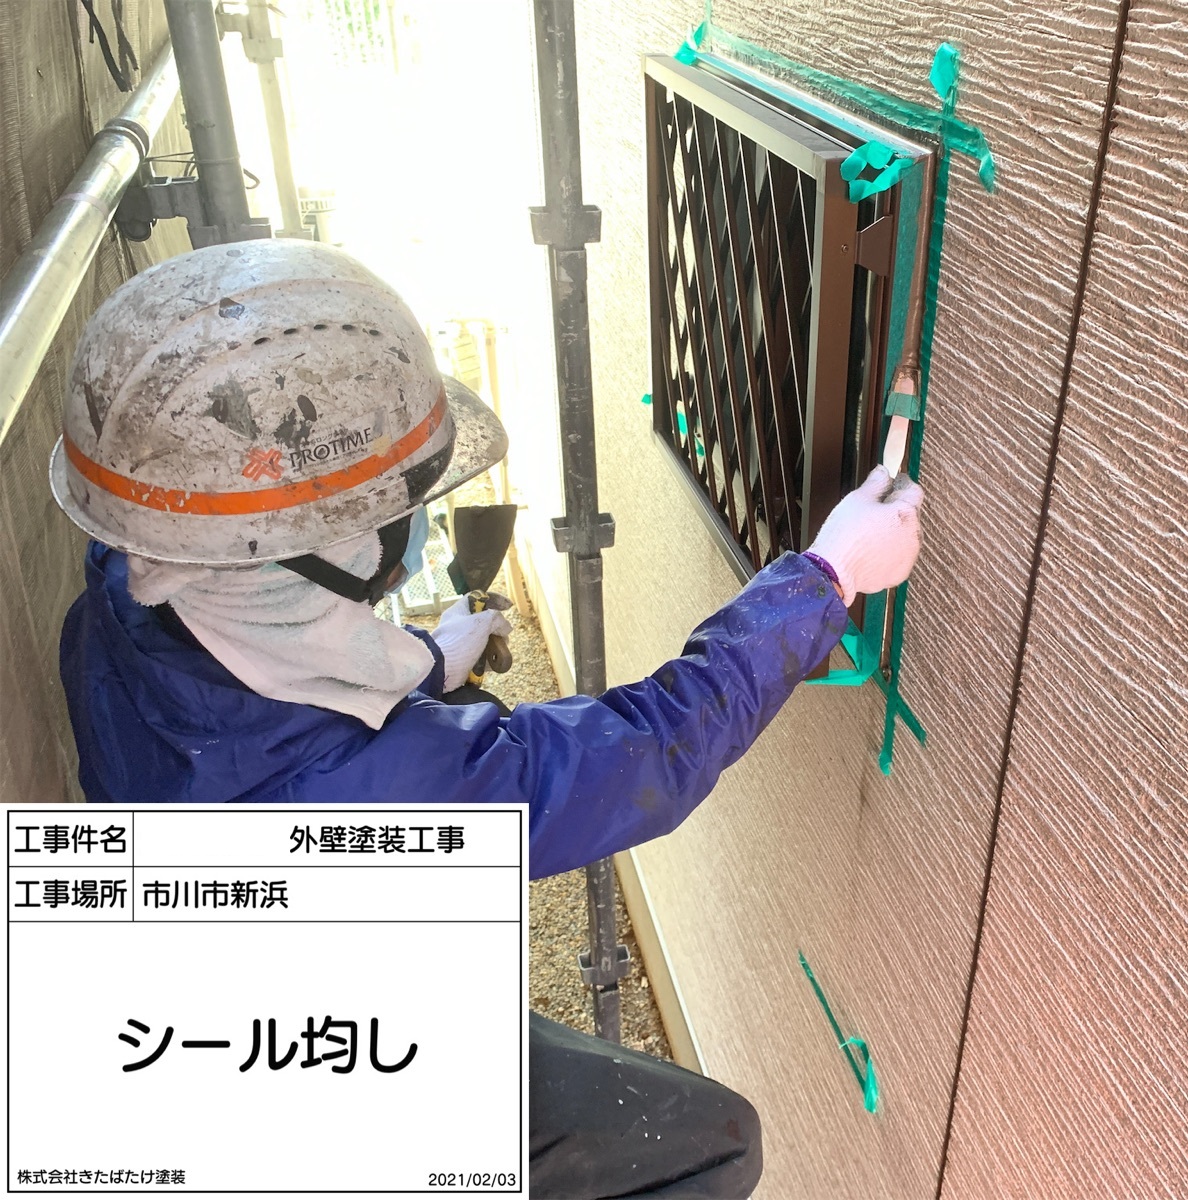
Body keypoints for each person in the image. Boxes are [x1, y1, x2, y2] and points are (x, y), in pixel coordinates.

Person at [51, 239, 925, 1199]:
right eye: (395, 507)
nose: (417, 524)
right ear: (312, 548)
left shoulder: (124, 600)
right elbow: (647, 753)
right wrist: (828, 576)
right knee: (709, 1142)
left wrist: (428, 660)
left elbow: (281, 693)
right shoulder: (374, 794)